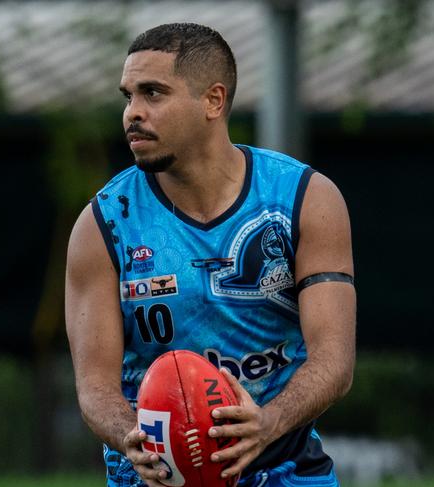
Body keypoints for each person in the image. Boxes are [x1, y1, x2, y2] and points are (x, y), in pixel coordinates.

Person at [65, 22, 356, 487]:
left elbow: (334, 362)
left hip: (284, 470)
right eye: (128, 97)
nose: (133, 114)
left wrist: (268, 423)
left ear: (213, 101)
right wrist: (131, 437)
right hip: (154, 477)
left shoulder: (304, 199)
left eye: (153, 94)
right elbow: (94, 387)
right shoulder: (103, 225)